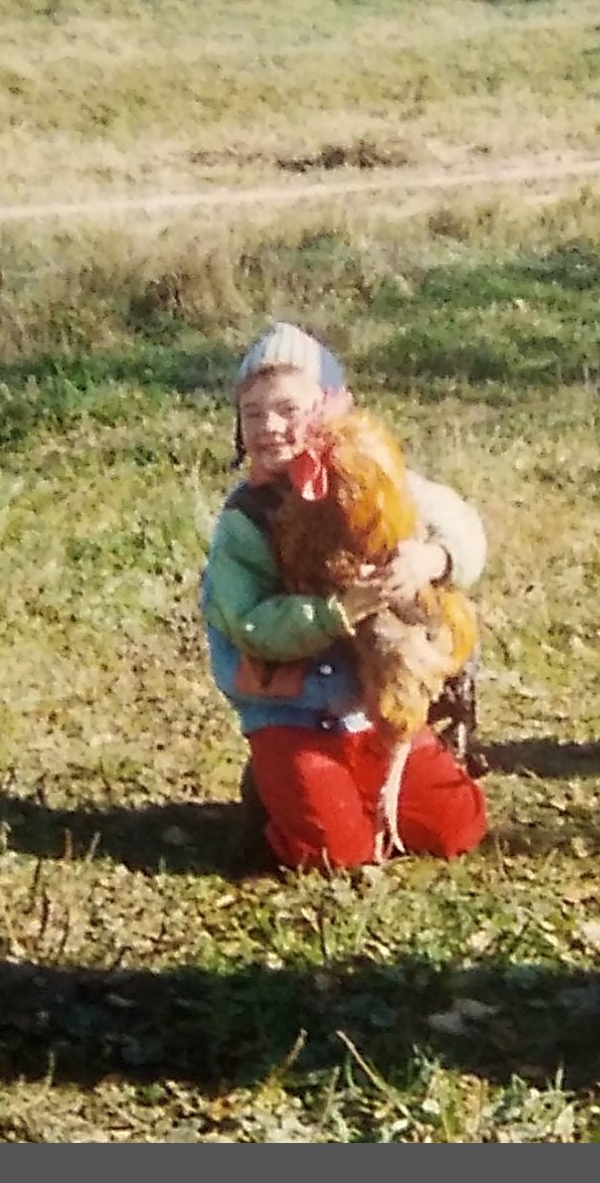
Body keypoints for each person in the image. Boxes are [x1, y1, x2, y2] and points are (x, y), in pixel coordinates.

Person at [198, 321, 490, 870]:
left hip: (372, 709)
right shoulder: (244, 523)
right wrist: (338, 613)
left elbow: (463, 526)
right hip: (290, 711)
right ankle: (273, 791)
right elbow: (248, 623)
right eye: (253, 413)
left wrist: (433, 558)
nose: (270, 427)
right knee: (336, 853)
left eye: (289, 409)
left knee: (458, 828)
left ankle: (376, 770)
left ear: (331, 412)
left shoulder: (374, 482)